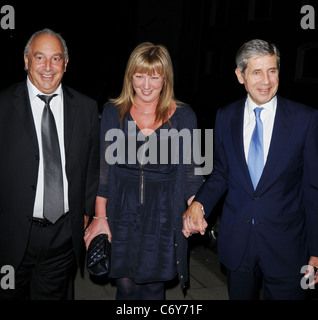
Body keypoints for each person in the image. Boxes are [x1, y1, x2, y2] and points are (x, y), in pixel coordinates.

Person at [182, 39, 318, 300]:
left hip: (288, 249)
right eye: (256, 72)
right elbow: (222, 172)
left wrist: (316, 251)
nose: (266, 81)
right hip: (238, 245)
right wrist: (200, 203)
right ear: (240, 75)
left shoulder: (305, 119)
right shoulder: (225, 116)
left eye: (272, 70)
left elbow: (312, 189)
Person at [84, 42, 203, 300]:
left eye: (154, 77)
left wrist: (196, 210)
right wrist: (100, 218)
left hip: (162, 218)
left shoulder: (185, 117)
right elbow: (104, 173)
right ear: (130, 77)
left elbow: (194, 175)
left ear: (165, 78)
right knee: (125, 288)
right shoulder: (112, 113)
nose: (146, 85)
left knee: (152, 289)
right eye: (139, 76)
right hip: (121, 214)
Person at [0, 29, 99, 300]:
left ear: (66, 64)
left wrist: (87, 210)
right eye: (39, 57)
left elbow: (92, 164)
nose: (47, 67)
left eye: (56, 59)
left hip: (61, 238)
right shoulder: (3, 105)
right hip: (10, 237)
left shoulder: (86, 108)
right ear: (26, 60)